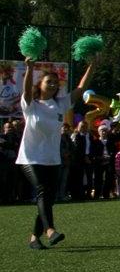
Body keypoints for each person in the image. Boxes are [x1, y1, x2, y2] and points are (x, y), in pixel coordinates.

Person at [17, 55, 96, 249]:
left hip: (52, 159)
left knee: (48, 198)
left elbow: (80, 88)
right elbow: (26, 90)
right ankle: (50, 230)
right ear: (40, 84)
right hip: (30, 157)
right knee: (43, 191)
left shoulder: (60, 104)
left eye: (55, 82)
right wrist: (30, 68)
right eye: (48, 81)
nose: (52, 84)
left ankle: (34, 238)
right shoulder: (31, 105)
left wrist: (92, 65)